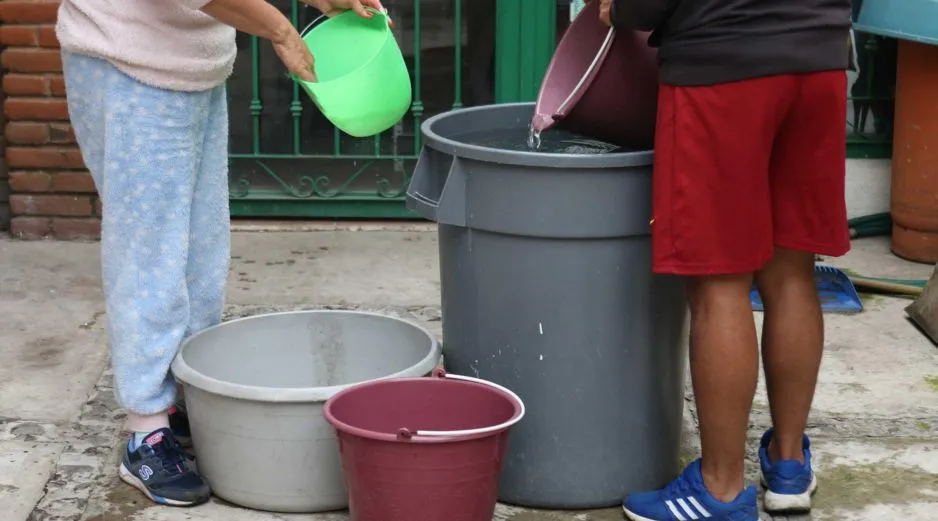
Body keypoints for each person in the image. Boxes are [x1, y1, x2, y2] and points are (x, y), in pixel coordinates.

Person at [55, 0, 385, 507]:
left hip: (193, 67)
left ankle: (185, 389)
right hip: (127, 63)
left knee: (201, 244)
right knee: (151, 252)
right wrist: (280, 30)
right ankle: (146, 430)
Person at [589, 0, 853, 520]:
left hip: (723, 69)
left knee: (719, 284)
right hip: (819, 60)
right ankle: (788, 465)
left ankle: (722, 490)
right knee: (792, 271)